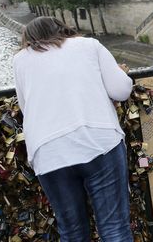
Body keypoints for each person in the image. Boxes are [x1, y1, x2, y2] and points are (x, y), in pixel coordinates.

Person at [13, 17, 134, 241]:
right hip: (99, 141)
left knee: (72, 231)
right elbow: (121, 90)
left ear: (29, 40)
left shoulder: (20, 60)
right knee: (114, 227)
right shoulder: (88, 45)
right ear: (63, 29)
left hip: (48, 151)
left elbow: (24, 107)